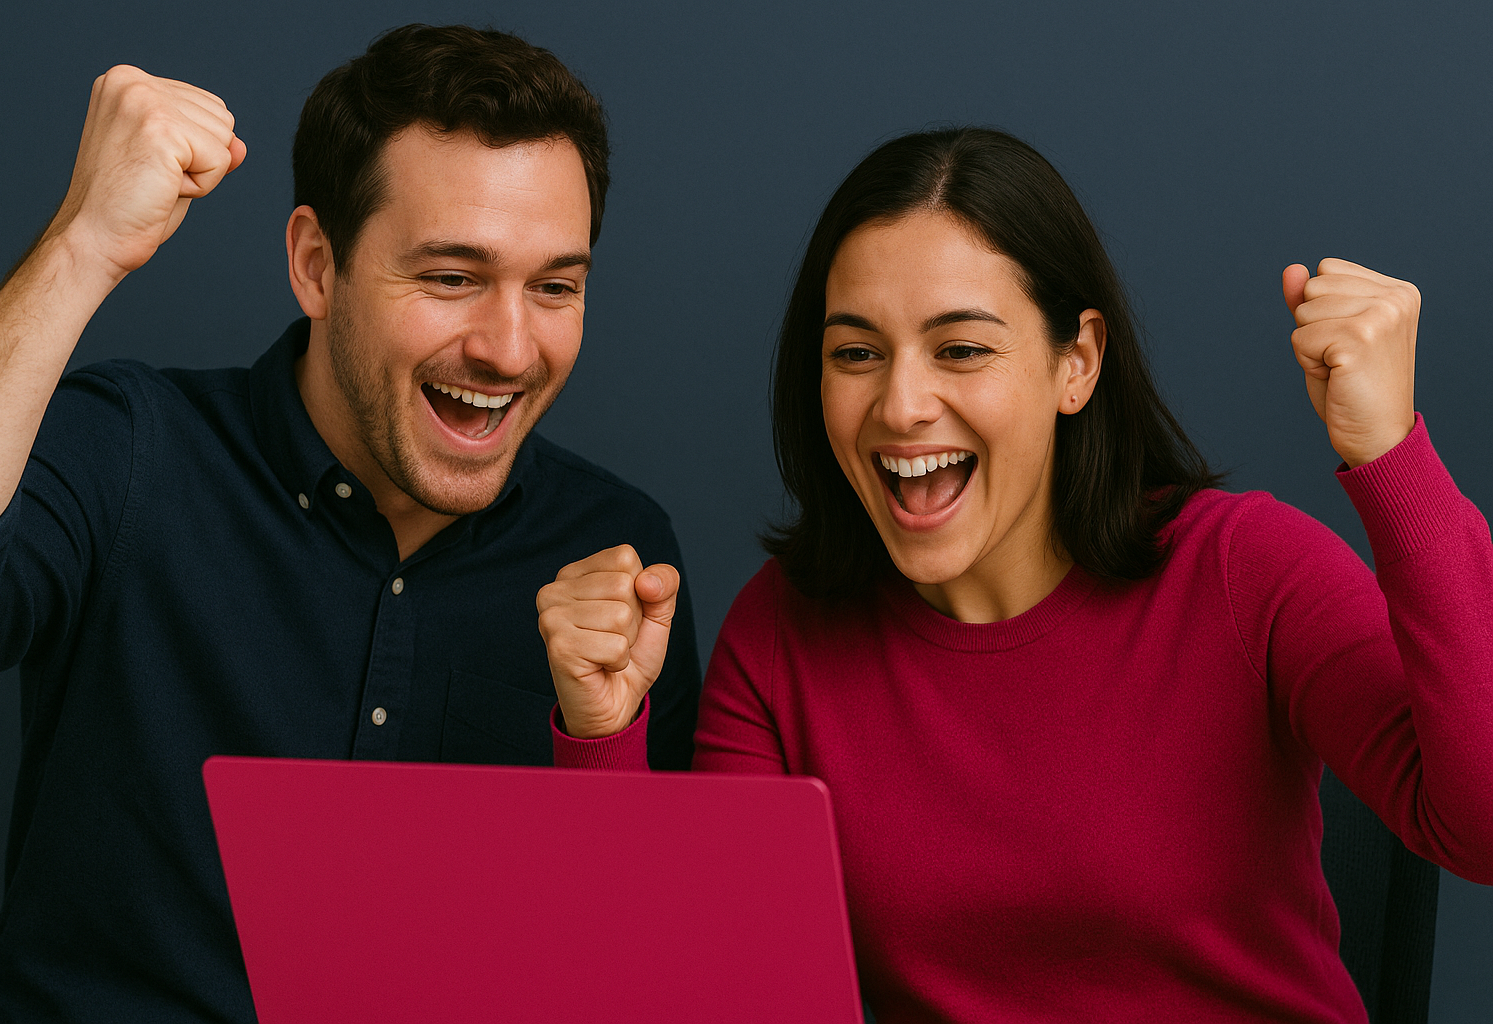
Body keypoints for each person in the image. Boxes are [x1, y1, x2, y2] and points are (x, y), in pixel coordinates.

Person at [537, 127, 1493, 1023]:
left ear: (1077, 363)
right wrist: (602, 735)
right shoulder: (781, 632)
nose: (901, 405)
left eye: (961, 349)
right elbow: (711, 990)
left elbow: (1481, 828)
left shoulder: (1248, 571)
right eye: (857, 353)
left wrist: (1391, 456)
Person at [0, 23, 699, 1023]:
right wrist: (81, 245)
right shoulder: (132, 446)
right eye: (450, 278)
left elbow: (633, 967)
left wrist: (598, 741)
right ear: (316, 264)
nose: (510, 348)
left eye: (555, 287)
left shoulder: (619, 550)